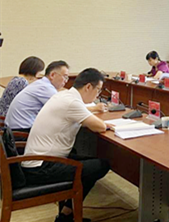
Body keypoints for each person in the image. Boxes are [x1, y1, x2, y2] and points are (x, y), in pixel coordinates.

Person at [21, 68, 110, 222]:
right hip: (41, 167)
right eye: (98, 90)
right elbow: (100, 126)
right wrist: (105, 124)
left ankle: (66, 214)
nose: (98, 95)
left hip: (38, 160)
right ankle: (67, 214)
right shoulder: (72, 102)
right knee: (100, 165)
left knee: (91, 161)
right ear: (88, 87)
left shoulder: (63, 95)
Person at [6, 61, 106, 132]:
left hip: (14, 129)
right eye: (65, 77)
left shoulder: (42, 84)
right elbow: (68, 108)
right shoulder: (45, 88)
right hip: (21, 132)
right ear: (53, 75)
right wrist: (95, 108)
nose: (66, 81)